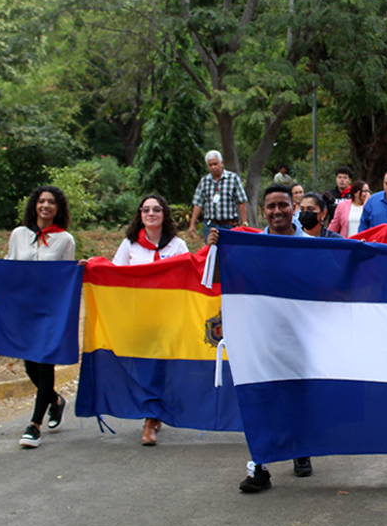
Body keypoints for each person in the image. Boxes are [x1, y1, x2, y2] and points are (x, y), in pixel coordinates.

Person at [208, 185, 314, 492]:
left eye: (283, 205)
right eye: (271, 206)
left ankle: (300, 449)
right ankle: (259, 465)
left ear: (293, 208)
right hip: (259, 335)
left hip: (298, 334)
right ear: (263, 211)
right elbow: (218, 279)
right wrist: (216, 248)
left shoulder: (311, 246)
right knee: (261, 396)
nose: (278, 211)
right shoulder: (248, 246)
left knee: (297, 393)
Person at [111, 194, 191, 445]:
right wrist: (91, 267)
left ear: (164, 214)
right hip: (139, 317)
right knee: (144, 366)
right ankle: (152, 415)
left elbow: (189, 276)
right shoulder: (130, 245)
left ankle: (152, 417)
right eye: (146, 210)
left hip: (167, 318)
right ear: (140, 215)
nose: (151, 213)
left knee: (161, 367)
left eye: (156, 209)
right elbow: (114, 274)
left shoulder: (177, 246)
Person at [6, 186, 76, 448]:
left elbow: (66, 275)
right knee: (30, 367)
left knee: (45, 364)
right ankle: (56, 401)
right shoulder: (19, 235)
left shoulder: (65, 240)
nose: (45, 206)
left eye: (51, 202)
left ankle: (34, 425)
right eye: (41, 201)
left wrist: (77, 270)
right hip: (23, 309)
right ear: (34, 205)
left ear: (58, 208)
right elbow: (9, 264)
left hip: (50, 311)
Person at [189, 150, 248, 237]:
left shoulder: (233, 178)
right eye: (210, 165)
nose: (213, 167)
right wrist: (192, 224)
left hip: (229, 224)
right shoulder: (204, 181)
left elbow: (241, 201)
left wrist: (244, 222)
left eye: (215, 164)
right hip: (210, 225)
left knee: (228, 249)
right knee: (210, 249)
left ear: (221, 163)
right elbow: (198, 204)